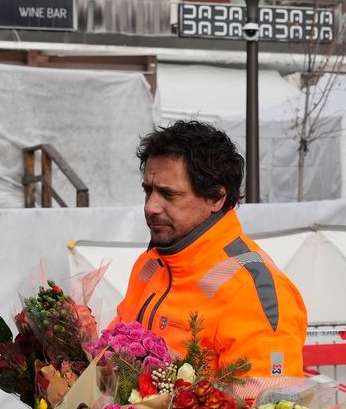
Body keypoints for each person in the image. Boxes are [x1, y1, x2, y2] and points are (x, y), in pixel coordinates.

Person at [113, 120, 308, 378]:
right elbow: (113, 355)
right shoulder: (150, 264)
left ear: (216, 197)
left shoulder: (251, 290)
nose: (151, 206)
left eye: (168, 194)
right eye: (148, 191)